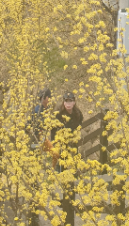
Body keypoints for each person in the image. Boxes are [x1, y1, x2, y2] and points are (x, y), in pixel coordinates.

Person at [51, 92, 83, 226]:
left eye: (71, 101)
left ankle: (70, 200)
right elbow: (53, 133)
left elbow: (79, 129)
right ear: (63, 102)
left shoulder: (77, 114)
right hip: (62, 148)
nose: (68, 103)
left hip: (73, 149)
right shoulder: (58, 115)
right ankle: (64, 202)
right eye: (66, 101)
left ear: (74, 102)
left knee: (72, 176)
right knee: (63, 175)